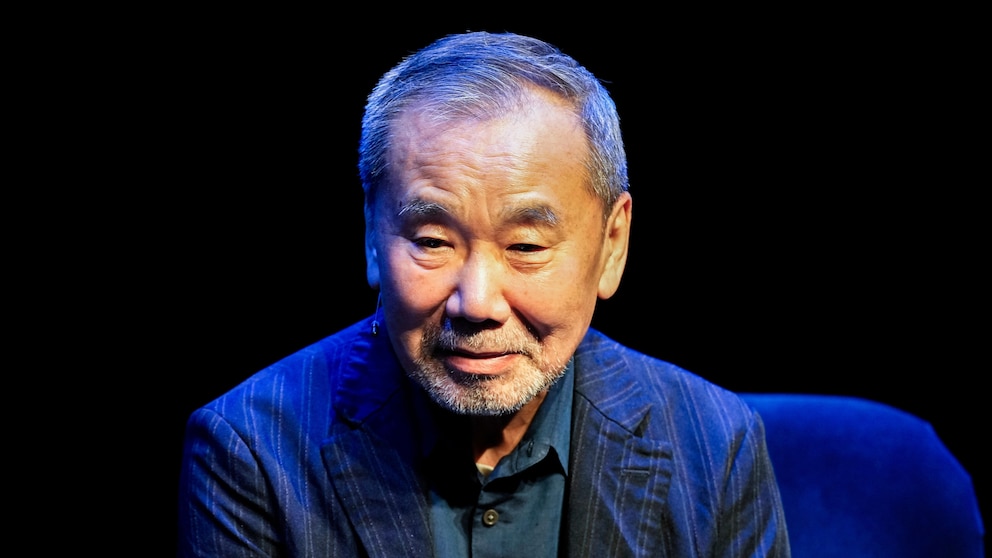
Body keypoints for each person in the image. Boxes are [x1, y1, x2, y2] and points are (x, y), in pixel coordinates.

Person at [177, 31, 791, 557]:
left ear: (612, 244)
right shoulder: (250, 451)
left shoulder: (715, 444)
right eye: (432, 241)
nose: (476, 304)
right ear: (371, 235)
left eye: (525, 246)